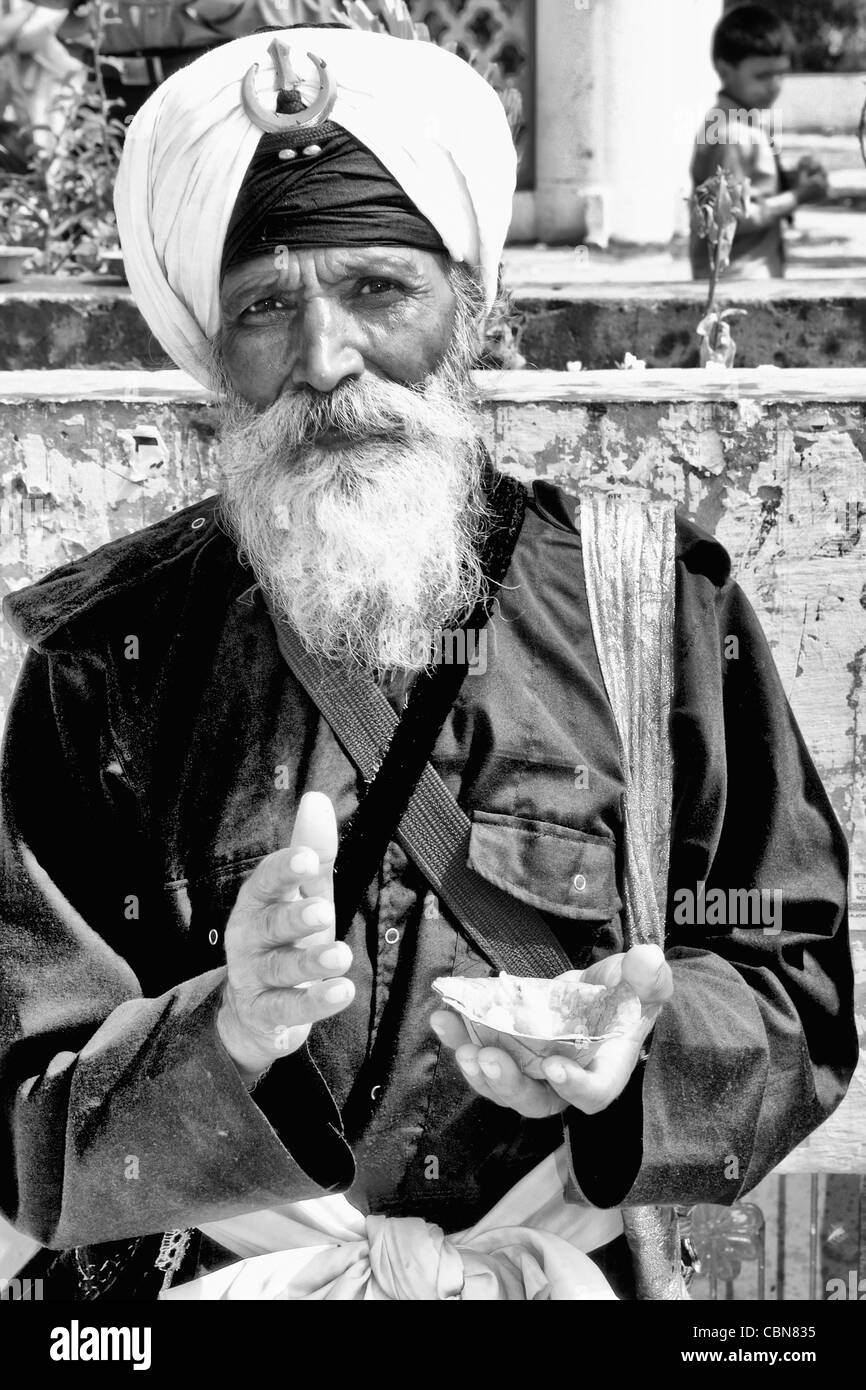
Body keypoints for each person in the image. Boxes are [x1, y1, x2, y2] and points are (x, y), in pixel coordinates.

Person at [0, 22, 857, 1301]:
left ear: (471, 306)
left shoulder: (652, 605)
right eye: (264, 307)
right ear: (209, 351)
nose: (325, 358)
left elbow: (794, 995)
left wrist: (640, 1047)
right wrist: (222, 1029)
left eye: (378, 290)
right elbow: (26, 1119)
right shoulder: (100, 660)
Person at [690, 3, 828, 279]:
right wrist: (798, 196)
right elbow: (728, 219)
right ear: (725, 70)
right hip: (738, 280)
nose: (774, 85)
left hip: (745, 276)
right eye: (763, 76)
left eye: (781, 74)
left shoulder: (740, 120)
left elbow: (750, 190)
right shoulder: (731, 132)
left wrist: (791, 179)